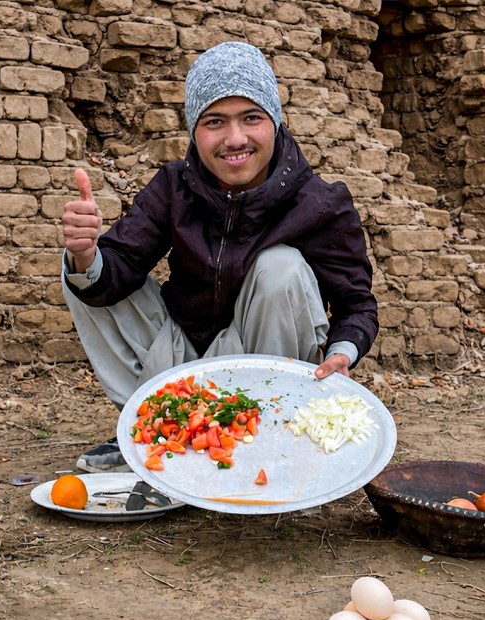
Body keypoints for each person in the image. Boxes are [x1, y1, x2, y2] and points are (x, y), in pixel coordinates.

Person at [60, 41, 378, 473]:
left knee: (281, 267)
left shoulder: (320, 203)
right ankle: (155, 424)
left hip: (260, 365)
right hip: (179, 359)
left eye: (251, 118)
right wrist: (84, 255)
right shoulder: (174, 186)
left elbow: (356, 304)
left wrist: (342, 351)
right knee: (83, 269)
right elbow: (122, 265)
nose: (235, 139)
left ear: (275, 121)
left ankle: (260, 437)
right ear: (194, 130)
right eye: (214, 121)